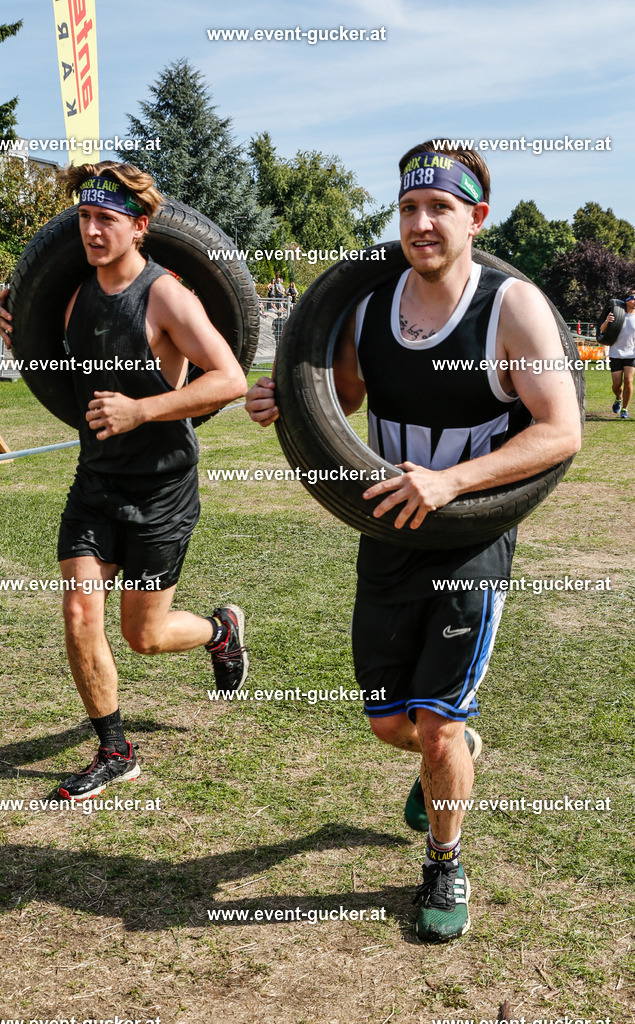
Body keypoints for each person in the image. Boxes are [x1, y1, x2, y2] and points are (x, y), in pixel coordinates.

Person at [245, 140, 581, 942]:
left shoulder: (512, 306)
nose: (421, 222)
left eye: (439, 208)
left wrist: (453, 482)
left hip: (471, 538)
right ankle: (455, 749)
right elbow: (343, 397)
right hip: (387, 534)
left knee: (430, 722)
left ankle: (445, 860)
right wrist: (285, 400)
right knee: (390, 725)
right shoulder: (369, 303)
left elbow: (561, 430)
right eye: (407, 208)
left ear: (476, 218)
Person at [0, 161, 249, 801]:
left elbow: (230, 380)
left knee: (144, 636)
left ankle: (220, 632)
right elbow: (33, 320)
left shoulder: (167, 297)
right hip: (96, 479)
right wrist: (3, 306)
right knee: (80, 610)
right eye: (84, 218)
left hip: (161, 487)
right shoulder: (73, 290)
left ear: (139, 226)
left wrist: (141, 409)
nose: (93, 231)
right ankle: (115, 750)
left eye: (106, 219)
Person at [600, 294, 635, 420]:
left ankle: (625, 409)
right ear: (626, 301)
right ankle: (618, 398)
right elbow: (602, 331)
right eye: (633, 298)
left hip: (632, 354)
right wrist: (607, 321)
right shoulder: (616, 315)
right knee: (616, 385)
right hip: (616, 353)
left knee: (629, 381)